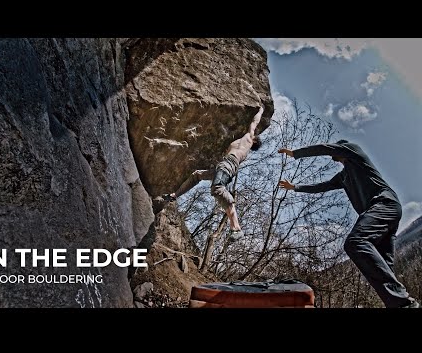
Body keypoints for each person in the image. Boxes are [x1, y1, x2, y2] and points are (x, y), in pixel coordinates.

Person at [278, 139, 419, 308]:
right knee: (383, 265)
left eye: (334, 152)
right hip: (384, 212)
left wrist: (296, 153)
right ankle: (402, 304)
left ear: (341, 149)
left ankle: (402, 302)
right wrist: (295, 187)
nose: (332, 155)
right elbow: (322, 186)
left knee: (356, 242)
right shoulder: (343, 176)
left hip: (384, 204)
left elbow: (325, 148)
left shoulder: (354, 152)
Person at [162, 105, 265, 241]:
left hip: (227, 165)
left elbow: (254, 122)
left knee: (217, 189)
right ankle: (174, 196)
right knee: (197, 175)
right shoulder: (243, 146)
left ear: (255, 141)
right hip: (223, 166)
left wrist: (261, 110)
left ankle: (236, 228)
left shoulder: (249, 138)